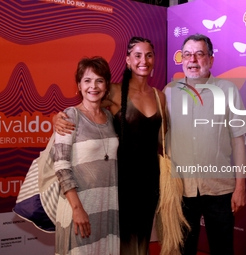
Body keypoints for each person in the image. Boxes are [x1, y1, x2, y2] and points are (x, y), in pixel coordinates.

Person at [53, 37, 167, 255]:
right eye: (138, 55)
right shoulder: (113, 91)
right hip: (120, 183)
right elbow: (83, 110)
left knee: (141, 243)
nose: (144, 60)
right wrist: (55, 118)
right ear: (127, 60)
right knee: (116, 244)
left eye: (149, 55)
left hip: (150, 183)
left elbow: (162, 140)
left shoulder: (159, 97)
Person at [163, 33, 246, 255]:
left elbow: (238, 140)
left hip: (220, 190)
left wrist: (240, 186)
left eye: (199, 54)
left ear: (210, 60)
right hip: (181, 189)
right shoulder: (169, 92)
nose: (192, 60)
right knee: (184, 250)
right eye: (187, 55)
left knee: (222, 249)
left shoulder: (228, 90)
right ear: (181, 60)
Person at [53, 56, 119, 255]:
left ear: (106, 85)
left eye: (99, 80)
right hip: (80, 207)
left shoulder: (110, 117)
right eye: (87, 80)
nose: (93, 86)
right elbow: (61, 167)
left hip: (108, 207)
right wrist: (77, 208)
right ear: (79, 86)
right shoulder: (69, 116)